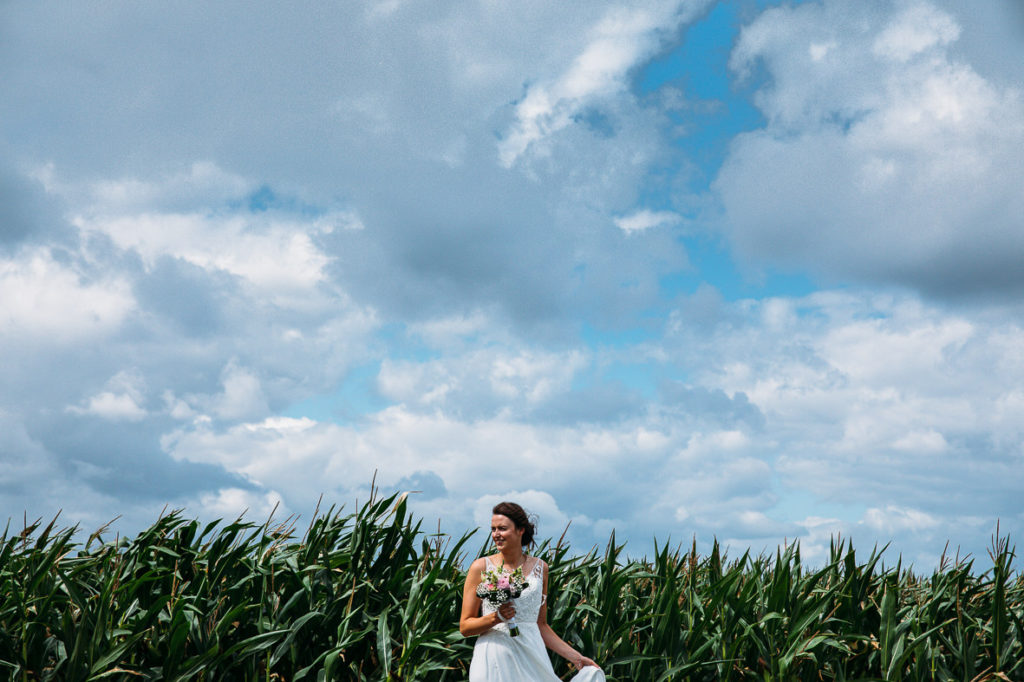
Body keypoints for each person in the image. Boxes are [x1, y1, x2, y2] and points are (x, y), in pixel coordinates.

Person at [460, 502, 606, 682]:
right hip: (494, 654)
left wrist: (576, 658)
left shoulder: (540, 568)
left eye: (502, 528)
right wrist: (496, 618)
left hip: (532, 655)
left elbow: (541, 624)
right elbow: (465, 627)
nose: (496, 534)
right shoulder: (480, 567)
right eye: (493, 529)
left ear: (520, 530)